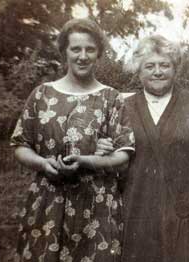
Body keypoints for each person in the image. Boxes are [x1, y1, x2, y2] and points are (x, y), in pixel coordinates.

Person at [96, 35, 189, 262]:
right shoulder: (123, 107)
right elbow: (113, 162)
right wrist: (104, 149)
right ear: (138, 70)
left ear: (175, 68)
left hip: (185, 208)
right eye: (149, 66)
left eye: (165, 65)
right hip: (137, 209)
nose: (157, 72)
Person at [10, 18, 135, 262]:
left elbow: (124, 154)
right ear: (64, 52)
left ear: (98, 53)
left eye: (90, 49)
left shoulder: (111, 98)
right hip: (49, 201)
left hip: (97, 205)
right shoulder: (42, 94)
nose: (83, 56)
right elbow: (20, 145)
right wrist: (42, 164)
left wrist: (87, 160)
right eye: (75, 49)